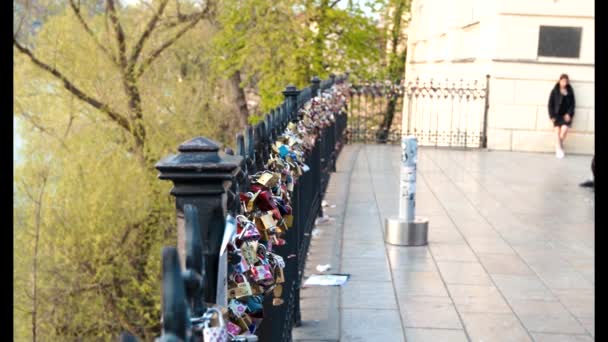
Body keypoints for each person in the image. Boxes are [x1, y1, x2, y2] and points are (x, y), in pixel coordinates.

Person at [548, 74, 575, 158]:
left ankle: (558, 146)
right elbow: (550, 104)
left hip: (565, 116)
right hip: (556, 115)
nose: (564, 83)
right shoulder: (554, 91)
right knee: (557, 131)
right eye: (563, 81)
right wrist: (552, 116)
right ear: (559, 81)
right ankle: (559, 149)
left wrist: (569, 114)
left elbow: (572, 104)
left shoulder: (570, 91)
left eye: (566, 81)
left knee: (564, 130)